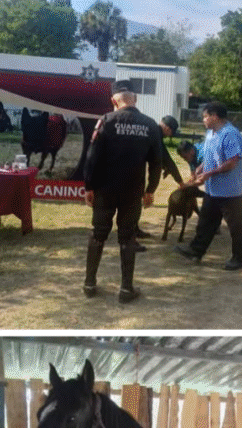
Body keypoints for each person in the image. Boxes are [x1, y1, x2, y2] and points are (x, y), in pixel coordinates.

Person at [82, 89, 162, 304]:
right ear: (135, 99)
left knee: (98, 233)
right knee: (127, 237)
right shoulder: (150, 125)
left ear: (113, 101)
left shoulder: (106, 121)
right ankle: (126, 289)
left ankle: (89, 284)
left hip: (105, 189)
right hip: (133, 190)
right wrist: (150, 190)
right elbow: (157, 161)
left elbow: (92, 155)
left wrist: (89, 185)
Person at [176, 102, 242, 270]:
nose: (204, 120)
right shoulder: (211, 133)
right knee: (206, 222)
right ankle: (196, 251)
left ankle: (240, 258)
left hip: (232, 192)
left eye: (205, 116)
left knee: (237, 226)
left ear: (215, 116)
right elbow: (209, 156)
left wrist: (209, 174)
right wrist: (200, 169)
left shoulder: (230, 134)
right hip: (214, 190)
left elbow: (232, 162)